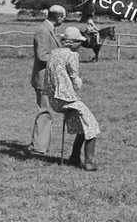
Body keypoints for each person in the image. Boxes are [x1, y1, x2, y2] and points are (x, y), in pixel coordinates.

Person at [44, 27, 100, 172]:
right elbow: (75, 78)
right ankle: (90, 162)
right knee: (92, 126)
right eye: (79, 43)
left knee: (82, 128)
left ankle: (74, 158)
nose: (80, 46)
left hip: (53, 98)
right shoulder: (72, 55)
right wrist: (78, 84)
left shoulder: (53, 53)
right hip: (67, 98)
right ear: (74, 43)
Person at [28, 5, 66, 156]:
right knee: (45, 112)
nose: (64, 20)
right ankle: (38, 149)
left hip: (49, 78)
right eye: (64, 17)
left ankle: (42, 145)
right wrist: (62, 57)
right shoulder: (43, 31)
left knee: (48, 112)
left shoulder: (49, 30)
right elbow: (42, 56)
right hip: (44, 79)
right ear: (58, 17)